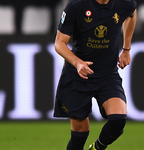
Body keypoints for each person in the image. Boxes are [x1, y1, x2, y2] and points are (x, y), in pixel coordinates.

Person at [53, 0, 137, 149]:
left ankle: (97, 148)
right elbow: (59, 43)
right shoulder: (76, 5)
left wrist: (126, 49)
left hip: (107, 75)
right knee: (80, 132)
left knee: (118, 120)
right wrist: (78, 63)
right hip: (77, 76)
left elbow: (132, 12)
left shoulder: (124, 2)